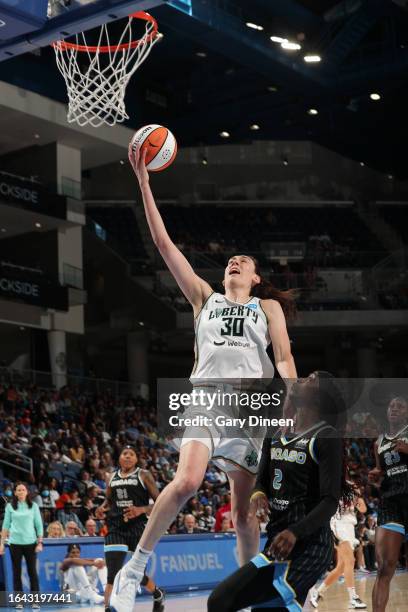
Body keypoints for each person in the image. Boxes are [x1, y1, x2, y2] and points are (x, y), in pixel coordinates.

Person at [109, 144, 297, 612]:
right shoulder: (202, 297)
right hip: (207, 400)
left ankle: (247, 593)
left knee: (246, 512)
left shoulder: (266, 307)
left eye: (245, 261)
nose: (235, 261)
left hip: (251, 410)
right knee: (188, 481)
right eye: (232, 259)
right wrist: (145, 185)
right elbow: (164, 245)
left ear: (255, 278)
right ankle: (134, 569)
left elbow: (285, 356)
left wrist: (293, 399)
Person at [207, 372, 352, 612]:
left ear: (317, 399)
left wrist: (295, 532)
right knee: (220, 601)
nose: (302, 379)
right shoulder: (277, 435)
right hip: (277, 544)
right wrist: (258, 494)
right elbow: (260, 480)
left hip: (310, 546)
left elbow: (330, 501)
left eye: (310, 379)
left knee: (221, 601)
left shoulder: (326, 436)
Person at [95, 446, 165, 612]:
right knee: (112, 574)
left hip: (138, 528)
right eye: (124, 454)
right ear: (119, 458)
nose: (127, 456)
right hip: (115, 528)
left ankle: (157, 593)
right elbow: (109, 500)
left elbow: (160, 502)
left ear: (136, 459)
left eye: (131, 454)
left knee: (137, 575)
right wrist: (102, 507)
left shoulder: (143, 475)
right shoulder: (111, 476)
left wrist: (141, 509)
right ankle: (108, 608)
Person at [370, 397, 408, 612]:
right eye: (391, 406)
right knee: (385, 567)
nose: (394, 409)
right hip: (391, 501)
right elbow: (381, 473)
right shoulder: (379, 442)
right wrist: (377, 477)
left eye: (400, 406)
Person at [310, 490, 367, 608]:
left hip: (350, 527)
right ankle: (353, 597)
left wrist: (357, 498)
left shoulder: (353, 489)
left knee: (341, 567)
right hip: (338, 525)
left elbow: (363, 509)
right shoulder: (334, 486)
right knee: (350, 561)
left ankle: (318, 592)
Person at [0, 482, 43, 610]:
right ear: (15, 493)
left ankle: (35, 600)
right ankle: (19, 601)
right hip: (15, 543)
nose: (21, 492)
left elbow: (39, 525)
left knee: (32, 573)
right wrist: (1, 544)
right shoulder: (9, 507)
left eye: (23, 489)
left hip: (31, 543)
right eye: (18, 490)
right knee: (16, 572)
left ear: (27, 492)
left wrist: (39, 542)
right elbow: (5, 526)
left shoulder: (34, 506)